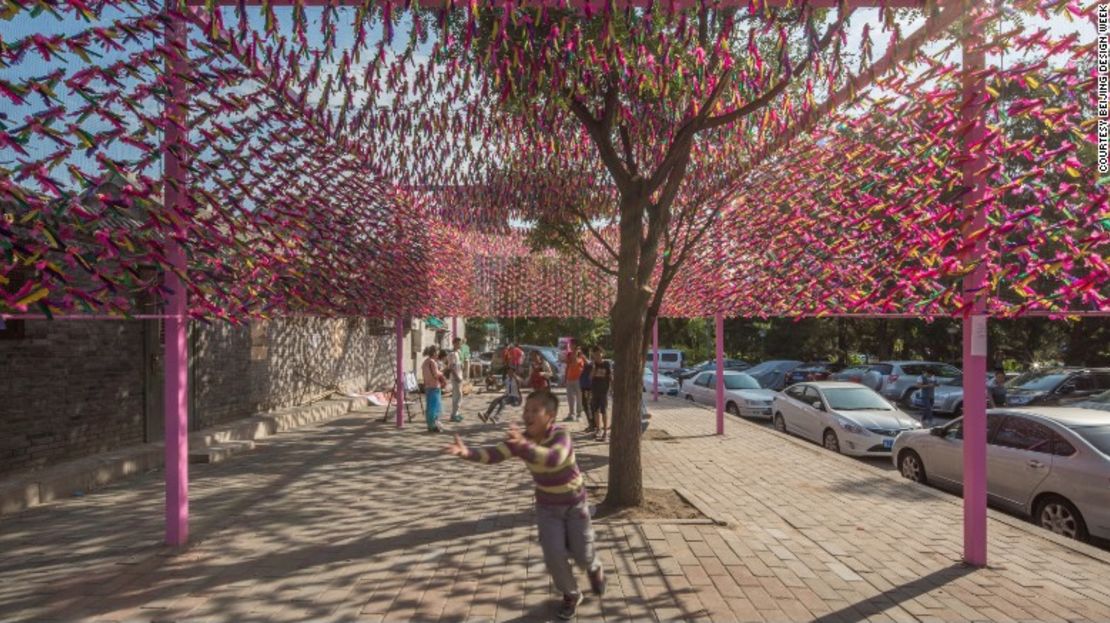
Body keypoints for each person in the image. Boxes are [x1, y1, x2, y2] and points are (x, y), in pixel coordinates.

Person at [444, 389, 606, 620]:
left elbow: (553, 458)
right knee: (553, 554)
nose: (527, 415)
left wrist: (523, 446)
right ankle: (571, 594)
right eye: (525, 410)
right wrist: (466, 452)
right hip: (547, 508)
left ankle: (594, 568)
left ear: (550, 415)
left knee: (583, 553)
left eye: (534, 411)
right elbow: (494, 454)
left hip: (575, 505)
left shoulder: (561, 435)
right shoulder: (522, 440)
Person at [589, 346, 613, 442]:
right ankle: (598, 429)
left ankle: (605, 432)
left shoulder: (607, 364)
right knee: (595, 411)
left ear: (603, 354)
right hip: (595, 391)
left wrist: (612, 388)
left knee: (604, 411)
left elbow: (611, 377)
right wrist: (594, 368)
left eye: (599, 354)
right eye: (595, 354)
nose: (598, 356)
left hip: (604, 391)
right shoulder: (593, 364)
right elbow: (590, 377)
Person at [421, 346, 447, 432]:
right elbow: (436, 374)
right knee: (435, 408)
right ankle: (434, 425)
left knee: (429, 407)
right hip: (434, 386)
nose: (438, 354)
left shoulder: (425, 362)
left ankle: (430, 425)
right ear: (434, 353)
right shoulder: (433, 362)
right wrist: (442, 373)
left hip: (428, 386)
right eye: (437, 352)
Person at [563, 346, 586, 422]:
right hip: (569, 380)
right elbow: (567, 367)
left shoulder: (581, 359)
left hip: (578, 380)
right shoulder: (569, 358)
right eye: (573, 349)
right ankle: (571, 414)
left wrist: (575, 355)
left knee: (579, 397)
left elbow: (576, 363)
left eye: (576, 349)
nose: (574, 350)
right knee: (570, 398)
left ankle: (579, 415)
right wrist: (565, 378)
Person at [447, 337, 465, 423]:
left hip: (460, 376)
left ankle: (456, 413)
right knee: (457, 395)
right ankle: (453, 414)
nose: (459, 345)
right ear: (454, 343)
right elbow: (451, 367)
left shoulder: (459, 352)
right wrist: (456, 376)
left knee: (459, 395)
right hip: (455, 377)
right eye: (458, 343)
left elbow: (460, 364)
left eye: (460, 343)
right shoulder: (452, 354)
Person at [580, 350, 596, 433]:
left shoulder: (591, 365)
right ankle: (591, 424)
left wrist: (582, 355)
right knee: (586, 407)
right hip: (584, 388)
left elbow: (588, 363)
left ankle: (592, 425)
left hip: (588, 388)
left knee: (589, 406)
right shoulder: (584, 365)